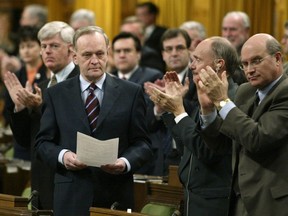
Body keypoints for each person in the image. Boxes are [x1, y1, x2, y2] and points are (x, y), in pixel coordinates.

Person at [34, 26, 152, 216]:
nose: (95, 61)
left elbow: (143, 143)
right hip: (71, 195)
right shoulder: (56, 94)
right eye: (87, 55)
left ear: (108, 53)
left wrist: (124, 162)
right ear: (74, 56)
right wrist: (63, 156)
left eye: (100, 53)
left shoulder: (131, 92)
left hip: (116, 195)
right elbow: (42, 143)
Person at [195, 33, 288, 215]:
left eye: (256, 61)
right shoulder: (245, 91)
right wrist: (208, 110)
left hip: (273, 204)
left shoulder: (285, 92)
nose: (249, 70)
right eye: (244, 64)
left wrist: (222, 101)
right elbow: (222, 144)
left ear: (278, 59)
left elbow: (259, 139)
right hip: (240, 202)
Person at [145, 36, 238, 216]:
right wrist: (171, 108)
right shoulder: (202, 93)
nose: (191, 65)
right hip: (192, 198)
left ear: (219, 64)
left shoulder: (231, 100)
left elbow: (206, 152)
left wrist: (179, 111)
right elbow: (187, 146)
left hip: (215, 203)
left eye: (197, 60)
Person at [4, 21, 79, 210]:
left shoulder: (82, 83)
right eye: (44, 46)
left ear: (71, 50)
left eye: (54, 46)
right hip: (41, 182)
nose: (47, 51)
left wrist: (41, 108)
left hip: (69, 180)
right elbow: (24, 140)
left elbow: (72, 130)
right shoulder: (42, 87)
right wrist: (20, 108)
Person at [145, 28, 196, 175]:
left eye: (179, 48)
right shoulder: (160, 81)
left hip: (192, 153)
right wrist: (158, 109)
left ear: (189, 50)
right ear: (163, 55)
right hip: (166, 156)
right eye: (168, 49)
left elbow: (198, 113)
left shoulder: (197, 77)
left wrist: (175, 100)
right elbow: (149, 124)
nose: (174, 53)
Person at [111, 31, 163, 175]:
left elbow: (147, 116)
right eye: (118, 51)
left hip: (143, 153)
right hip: (114, 152)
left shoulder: (152, 77)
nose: (122, 55)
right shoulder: (107, 79)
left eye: (127, 50)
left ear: (139, 54)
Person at [4, 25, 48, 161]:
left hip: (42, 139)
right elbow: (8, 108)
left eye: (30, 46)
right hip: (21, 141)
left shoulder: (48, 73)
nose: (26, 51)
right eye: (22, 47)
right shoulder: (15, 76)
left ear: (40, 48)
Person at [222, 11, 250, 85]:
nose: (227, 34)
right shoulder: (218, 57)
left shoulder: (253, 55)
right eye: (225, 29)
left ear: (246, 31)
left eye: (233, 29)